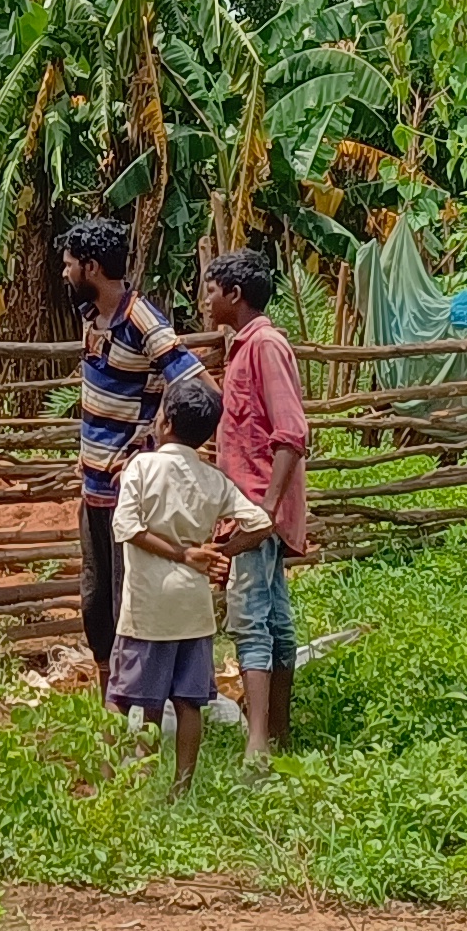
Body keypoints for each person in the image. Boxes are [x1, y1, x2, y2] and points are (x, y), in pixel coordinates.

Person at [108, 377, 266, 793]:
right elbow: (260, 523)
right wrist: (220, 551)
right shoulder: (213, 480)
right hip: (194, 611)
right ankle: (180, 790)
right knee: (188, 702)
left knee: (122, 698)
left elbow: (126, 526)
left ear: (166, 423)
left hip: (147, 608)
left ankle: (110, 781)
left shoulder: (141, 467)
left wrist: (181, 555)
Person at [61, 216, 201, 678]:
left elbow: (195, 385)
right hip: (94, 488)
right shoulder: (91, 315)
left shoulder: (143, 320)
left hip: (129, 491)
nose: (64, 272)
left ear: (92, 267)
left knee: (128, 600)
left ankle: (132, 700)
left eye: (70, 264)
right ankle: (108, 698)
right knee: (94, 601)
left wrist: (156, 450)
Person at [202, 249, 308, 764]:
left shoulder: (264, 346)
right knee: (276, 620)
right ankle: (280, 736)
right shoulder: (244, 347)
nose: (206, 300)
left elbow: (291, 433)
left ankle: (258, 744)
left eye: (211, 290)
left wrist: (263, 511)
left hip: (256, 511)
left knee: (249, 620)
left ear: (234, 294)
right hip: (256, 508)